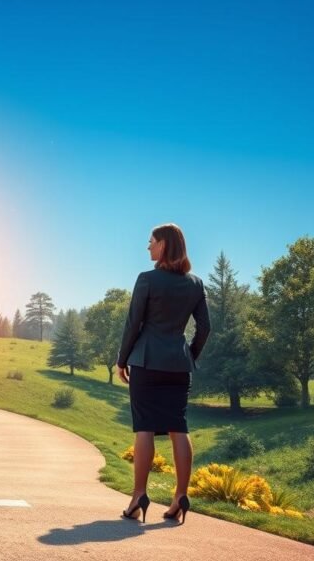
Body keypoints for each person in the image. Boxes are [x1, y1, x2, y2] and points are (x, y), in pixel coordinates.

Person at [116, 223, 210, 524]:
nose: (148, 247)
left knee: (144, 427)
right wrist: (188, 356)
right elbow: (205, 328)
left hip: (146, 362)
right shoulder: (195, 284)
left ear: (164, 245)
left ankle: (138, 497)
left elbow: (133, 324)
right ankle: (180, 497)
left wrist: (122, 360)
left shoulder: (147, 280)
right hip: (178, 366)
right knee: (178, 428)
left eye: (151, 241)